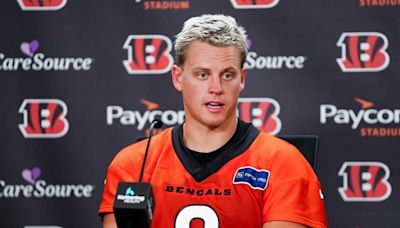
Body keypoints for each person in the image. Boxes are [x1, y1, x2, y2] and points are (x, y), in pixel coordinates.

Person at [99, 14, 328, 228]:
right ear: (178, 78)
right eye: (202, 75)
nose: (216, 89)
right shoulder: (133, 165)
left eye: (227, 75)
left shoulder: (284, 164)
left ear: (242, 79)